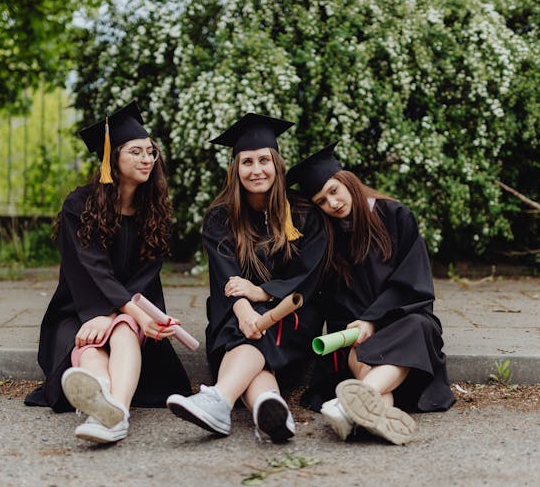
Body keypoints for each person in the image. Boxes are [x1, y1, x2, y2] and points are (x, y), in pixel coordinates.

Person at [24, 101, 191, 443]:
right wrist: (108, 313)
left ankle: (114, 412)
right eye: (136, 151)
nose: (147, 159)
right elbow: (90, 270)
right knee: (89, 342)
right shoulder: (79, 207)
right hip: (78, 308)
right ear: (112, 157)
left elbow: (148, 273)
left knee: (124, 329)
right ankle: (103, 400)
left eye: (151, 152)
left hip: (138, 310)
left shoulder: (155, 208)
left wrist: (120, 314)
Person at [166, 113, 327, 442]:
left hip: (292, 318)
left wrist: (263, 293)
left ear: (277, 164)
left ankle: (219, 399)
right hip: (234, 317)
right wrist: (244, 311)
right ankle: (269, 408)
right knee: (242, 330)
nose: (257, 170)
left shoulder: (305, 214)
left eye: (264, 160)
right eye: (247, 162)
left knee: (256, 332)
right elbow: (225, 279)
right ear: (235, 169)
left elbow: (307, 277)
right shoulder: (220, 217)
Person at [286, 142, 455, 445]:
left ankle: (348, 408)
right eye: (322, 201)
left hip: (404, 328)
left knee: (419, 326)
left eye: (334, 190)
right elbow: (329, 301)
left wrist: (373, 319)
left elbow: (412, 285)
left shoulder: (395, 215)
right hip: (357, 337)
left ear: (347, 180)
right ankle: (361, 415)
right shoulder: (328, 237)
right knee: (362, 348)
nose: (333, 203)